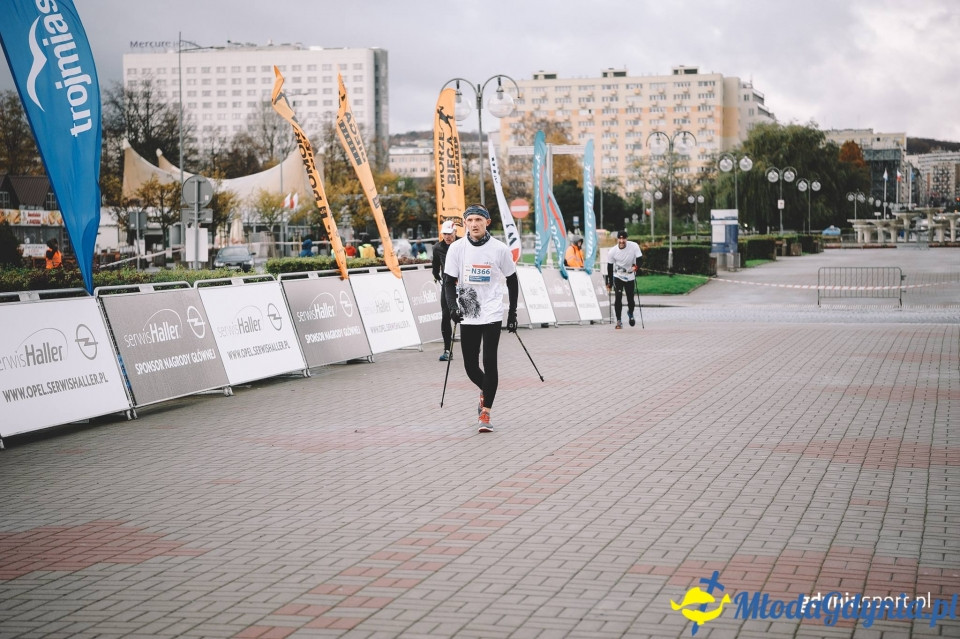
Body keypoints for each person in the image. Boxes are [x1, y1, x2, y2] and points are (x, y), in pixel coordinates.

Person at [444, 204, 518, 433]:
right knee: (470, 366)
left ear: (487, 222)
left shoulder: (499, 249)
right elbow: (448, 282)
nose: (474, 224)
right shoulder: (457, 248)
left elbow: (512, 281)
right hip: (469, 310)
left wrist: (512, 312)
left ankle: (485, 413)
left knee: (490, 362)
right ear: (464, 223)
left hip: (492, 311)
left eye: (478, 219)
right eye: (470, 220)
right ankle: (486, 391)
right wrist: (452, 307)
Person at [606, 230, 643, 329]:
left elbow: (640, 259)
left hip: (630, 275)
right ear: (617, 239)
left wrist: (636, 267)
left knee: (630, 299)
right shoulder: (612, 251)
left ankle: (630, 313)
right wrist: (609, 282)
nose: (622, 241)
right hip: (618, 276)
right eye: (620, 238)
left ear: (627, 239)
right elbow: (609, 267)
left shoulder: (634, 246)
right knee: (618, 297)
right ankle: (619, 321)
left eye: (624, 239)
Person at [432, 220, 457, 362]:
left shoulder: (463, 244)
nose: (447, 237)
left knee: (468, 317)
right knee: (446, 316)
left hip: (463, 285)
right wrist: (438, 278)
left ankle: (474, 346)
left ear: (455, 232)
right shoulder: (437, 248)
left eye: (450, 234)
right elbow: (435, 268)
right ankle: (447, 350)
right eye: (445, 234)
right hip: (447, 286)